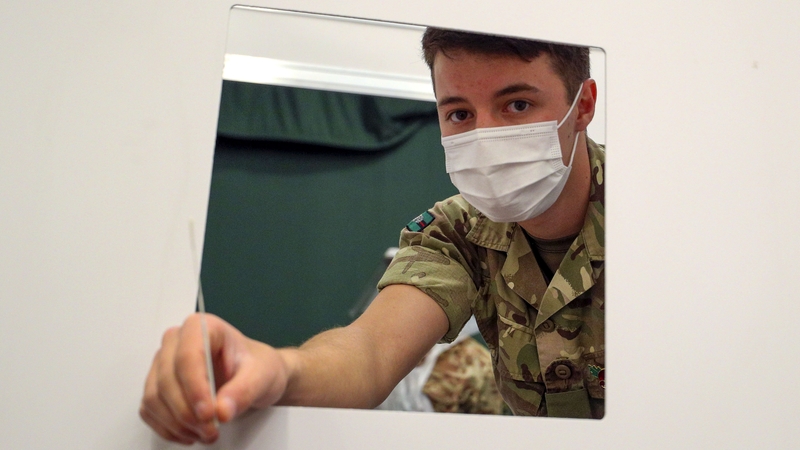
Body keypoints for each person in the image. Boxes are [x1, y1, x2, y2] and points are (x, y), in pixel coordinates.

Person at [139, 27, 604, 445]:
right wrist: (278, 370)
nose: (485, 137)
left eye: (517, 105)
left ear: (581, 106)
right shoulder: (457, 233)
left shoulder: (657, 219)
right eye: (460, 113)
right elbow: (370, 352)